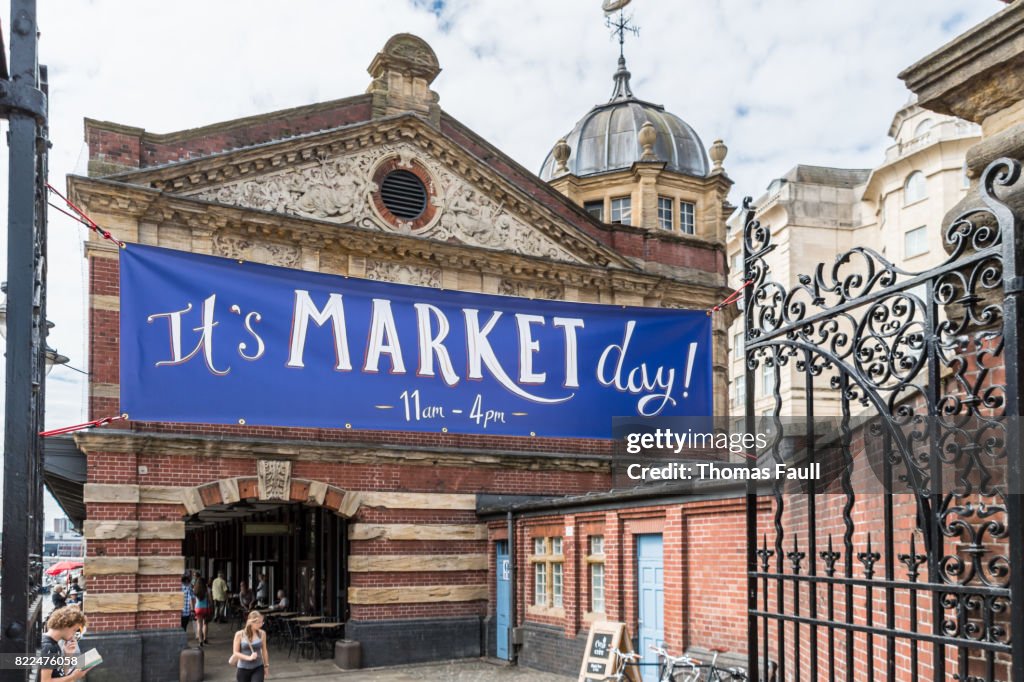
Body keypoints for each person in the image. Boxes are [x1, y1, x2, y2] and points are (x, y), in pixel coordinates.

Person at [39, 606, 89, 680]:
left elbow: (61, 674)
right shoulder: (48, 647)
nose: (74, 634)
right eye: (74, 630)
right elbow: (45, 681)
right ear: (65, 625)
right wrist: (74, 676)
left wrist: (68, 655)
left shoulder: (54, 644)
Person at [232, 610, 270, 682]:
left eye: (262, 622)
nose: (261, 624)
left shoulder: (262, 633)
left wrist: (266, 666)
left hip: (258, 667)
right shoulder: (239, 634)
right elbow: (235, 652)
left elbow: (264, 650)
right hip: (243, 668)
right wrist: (249, 658)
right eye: (258, 622)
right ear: (251, 622)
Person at [193, 577, 211, 647]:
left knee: (199, 624)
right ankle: (205, 638)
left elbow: (193, 600)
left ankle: (200, 640)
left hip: (198, 608)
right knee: (205, 623)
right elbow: (210, 600)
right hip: (206, 608)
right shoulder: (207, 590)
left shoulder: (195, 590)